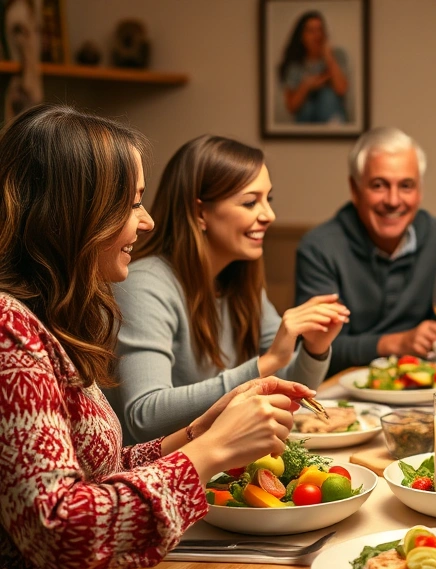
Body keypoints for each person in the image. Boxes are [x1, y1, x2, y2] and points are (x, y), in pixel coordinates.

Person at [0, 104, 312, 569]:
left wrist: (199, 431)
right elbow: (59, 532)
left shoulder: (47, 320)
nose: (146, 222)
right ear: (75, 214)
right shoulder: (8, 331)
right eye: (131, 204)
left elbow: (98, 472)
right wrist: (212, 452)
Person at [107, 135, 348, 444]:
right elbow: (144, 417)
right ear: (200, 213)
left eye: (268, 200)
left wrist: (315, 348)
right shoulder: (144, 284)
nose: (269, 215)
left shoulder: (237, 280)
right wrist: (267, 363)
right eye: (250, 202)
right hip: (158, 475)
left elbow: (292, 391)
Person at [295, 127, 436, 375]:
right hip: (340, 392)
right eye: (379, 185)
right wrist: (395, 343)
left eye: (406, 186)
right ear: (355, 189)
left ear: (420, 191)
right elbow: (316, 348)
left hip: (420, 388)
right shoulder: (319, 248)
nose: (393, 200)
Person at [279, 10, 349, 124]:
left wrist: (328, 56)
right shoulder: (295, 66)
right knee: (308, 104)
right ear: (302, 36)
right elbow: (291, 106)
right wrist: (306, 86)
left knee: (327, 95)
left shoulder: (337, 55)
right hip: (306, 123)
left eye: (320, 29)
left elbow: (341, 88)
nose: (317, 35)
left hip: (332, 123)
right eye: (311, 31)